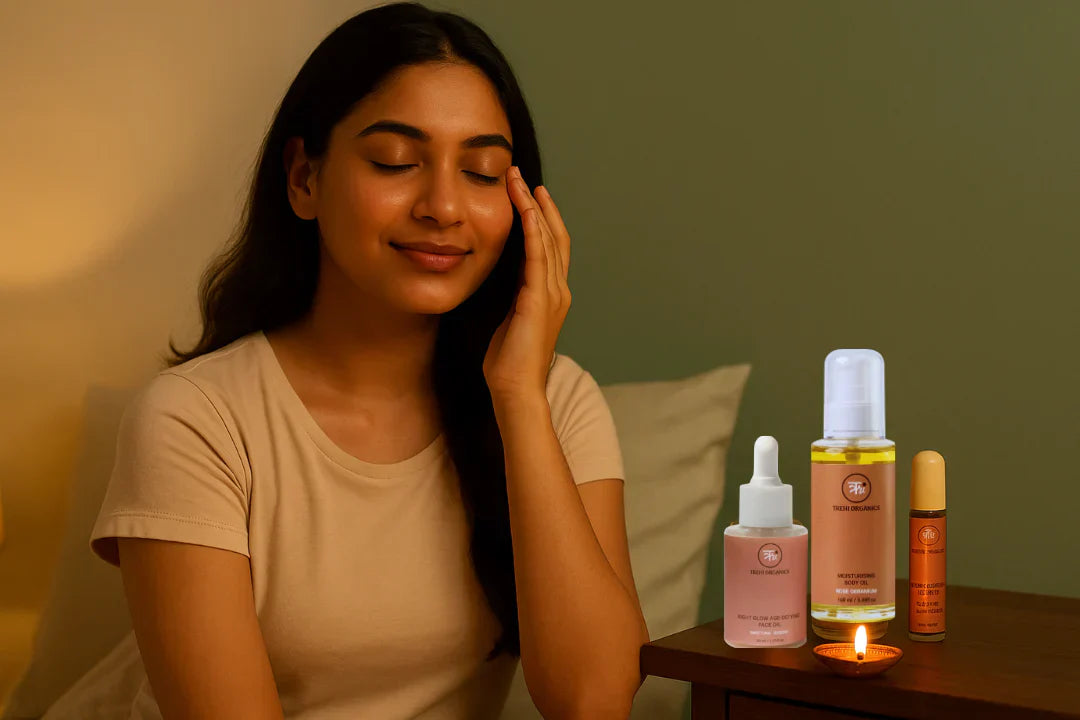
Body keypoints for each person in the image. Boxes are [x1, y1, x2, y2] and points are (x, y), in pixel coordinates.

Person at [46, 3, 648, 718]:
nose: (445, 206)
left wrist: (518, 395)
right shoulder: (194, 421)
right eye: (396, 161)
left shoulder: (556, 401)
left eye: (483, 173)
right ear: (303, 178)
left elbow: (595, 701)